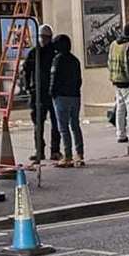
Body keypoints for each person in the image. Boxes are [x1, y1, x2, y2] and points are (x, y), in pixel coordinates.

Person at [21, 24, 60, 162]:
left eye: (46, 37)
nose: (43, 40)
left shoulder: (55, 52)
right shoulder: (33, 53)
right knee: (38, 124)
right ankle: (39, 151)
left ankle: (55, 150)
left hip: (53, 92)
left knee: (56, 123)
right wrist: (28, 88)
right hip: (37, 93)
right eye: (41, 37)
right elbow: (26, 71)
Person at [49, 34, 85, 166]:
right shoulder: (75, 60)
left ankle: (68, 156)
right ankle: (80, 154)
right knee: (75, 125)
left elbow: (54, 78)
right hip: (75, 96)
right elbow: (79, 80)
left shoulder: (57, 60)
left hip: (61, 97)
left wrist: (52, 93)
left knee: (63, 128)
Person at [106, 22, 129, 143]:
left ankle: (120, 134)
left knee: (120, 108)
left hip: (116, 81)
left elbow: (109, 63)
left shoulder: (113, 45)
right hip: (127, 82)